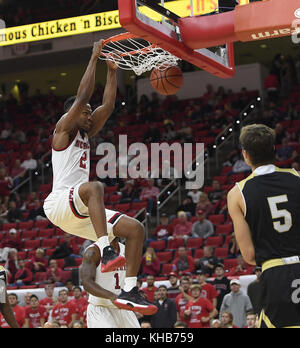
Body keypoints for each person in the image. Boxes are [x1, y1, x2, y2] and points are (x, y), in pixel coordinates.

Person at [43, 40, 149, 314]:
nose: (90, 117)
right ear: (72, 114)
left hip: (79, 210)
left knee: (136, 229)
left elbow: (109, 105)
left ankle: (130, 289)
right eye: (86, 113)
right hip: (59, 203)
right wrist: (94, 57)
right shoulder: (63, 132)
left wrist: (112, 70)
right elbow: (82, 97)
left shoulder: (85, 133)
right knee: (94, 187)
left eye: (91, 114)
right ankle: (107, 250)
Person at [227, 123, 300, 328]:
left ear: (245, 154)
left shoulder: (237, 194)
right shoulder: (297, 178)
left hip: (276, 274)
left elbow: (249, 255)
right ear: (274, 149)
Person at [80, 234, 152, 328]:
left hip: (123, 308)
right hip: (101, 308)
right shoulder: (93, 250)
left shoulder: (126, 249)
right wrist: (113, 297)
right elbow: (87, 283)